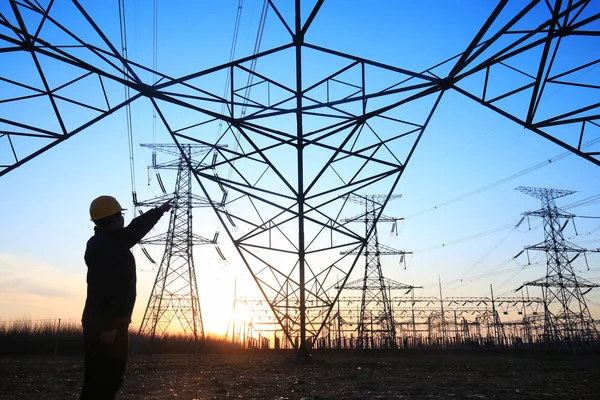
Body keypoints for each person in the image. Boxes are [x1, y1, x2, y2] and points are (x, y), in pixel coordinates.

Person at [80, 195, 172, 400]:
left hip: (110, 323)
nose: (123, 218)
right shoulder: (105, 248)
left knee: (106, 378)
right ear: (113, 219)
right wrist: (108, 327)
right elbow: (102, 289)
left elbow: (134, 230)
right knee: (103, 379)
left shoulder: (110, 241)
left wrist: (158, 211)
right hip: (106, 326)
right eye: (120, 215)